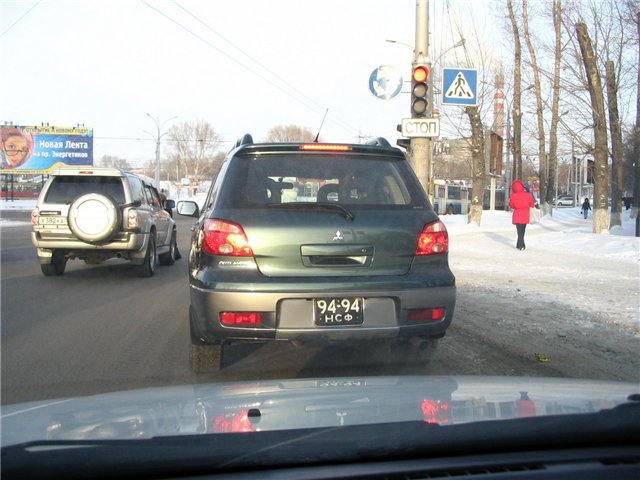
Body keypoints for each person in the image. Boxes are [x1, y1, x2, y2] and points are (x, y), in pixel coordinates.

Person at [509, 179, 535, 251]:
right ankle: (521, 245)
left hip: (517, 214)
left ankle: (520, 245)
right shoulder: (528, 195)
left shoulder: (513, 196)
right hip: (525, 214)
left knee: (519, 231)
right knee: (523, 230)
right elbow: (532, 204)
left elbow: (511, 205)